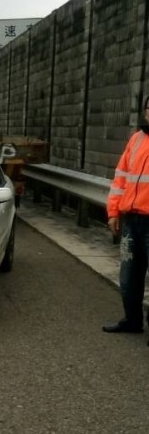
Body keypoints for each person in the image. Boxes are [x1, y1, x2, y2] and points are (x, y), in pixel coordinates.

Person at [102, 97, 149, 341]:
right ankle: (132, 321)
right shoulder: (136, 139)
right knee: (129, 276)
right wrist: (113, 212)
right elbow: (120, 179)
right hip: (131, 220)